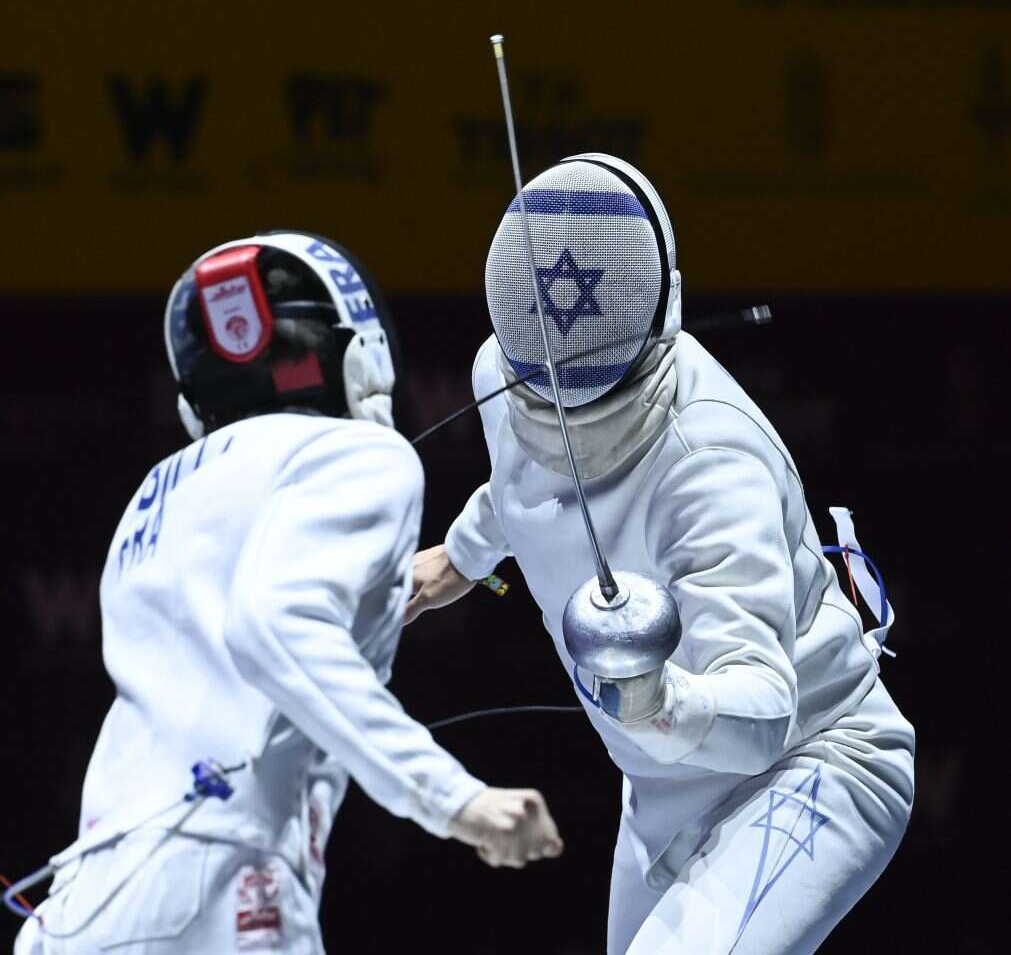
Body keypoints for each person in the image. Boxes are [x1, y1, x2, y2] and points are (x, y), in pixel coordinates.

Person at [406, 155, 915, 954]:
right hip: (660, 784)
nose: (554, 407)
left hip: (811, 761)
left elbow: (759, 715)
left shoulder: (711, 463)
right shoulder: (505, 375)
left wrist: (653, 698)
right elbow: (536, 473)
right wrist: (462, 558)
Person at [14, 231, 562, 955]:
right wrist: (456, 799)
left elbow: (242, 630)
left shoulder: (154, 494)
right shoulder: (364, 454)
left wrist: (384, 597)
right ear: (358, 356)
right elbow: (275, 624)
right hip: (218, 896)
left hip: (74, 911)